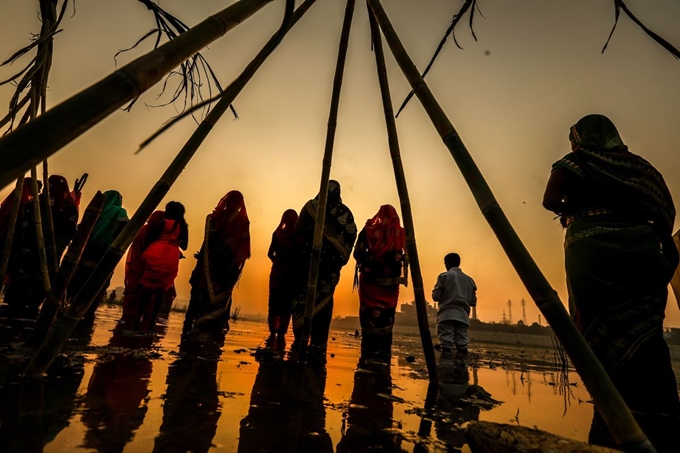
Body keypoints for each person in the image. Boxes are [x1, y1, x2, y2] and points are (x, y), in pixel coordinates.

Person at [542, 113, 679, 452]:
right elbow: (664, 217)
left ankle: (613, 412)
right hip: (642, 256)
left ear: (580, 138)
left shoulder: (574, 161)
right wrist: (667, 264)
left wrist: (574, 210)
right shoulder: (641, 170)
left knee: (599, 328)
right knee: (646, 330)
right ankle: (656, 416)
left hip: (592, 256)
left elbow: (549, 201)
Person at [292, 180, 357, 363]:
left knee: (303, 300)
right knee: (324, 302)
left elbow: (297, 230)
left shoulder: (310, 207)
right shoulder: (345, 214)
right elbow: (350, 238)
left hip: (308, 265)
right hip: (327, 269)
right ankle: (318, 343)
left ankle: (300, 339)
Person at [183, 191, 250, 335]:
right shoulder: (241, 221)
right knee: (217, 297)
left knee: (198, 295)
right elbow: (245, 251)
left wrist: (203, 257)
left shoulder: (214, 218)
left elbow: (206, 244)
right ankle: (212, 330)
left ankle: (190, 328)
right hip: (223, 268)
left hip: (209, 266)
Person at [120, 201, 188, 332]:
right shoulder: (182, 226)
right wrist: (174, 242)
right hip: (171, 256)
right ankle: (151, 321)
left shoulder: (160, 222)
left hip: (154, 252)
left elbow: (151, 238)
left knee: (147, 287)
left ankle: (137, 320)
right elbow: (184, 245)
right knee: (161, 289)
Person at [353, 204, 407, 359]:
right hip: (389, 288)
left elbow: (358, 253)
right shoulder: (400, 233)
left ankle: (367, 354)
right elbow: (407, 257)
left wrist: (371, 264)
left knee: (369, 315)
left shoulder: (368, 230)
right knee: (386, 316)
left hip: (369, 284)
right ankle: (383, 355)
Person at [69, 190, 128, 322]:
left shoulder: (94, 210)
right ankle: (86, 317)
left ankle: (70, 313)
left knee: (77, 285)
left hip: (85, 251)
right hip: (105, 253)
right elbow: (125, 229)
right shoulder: (119, 211)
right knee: (94, 289)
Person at [265, 209, 300, 351]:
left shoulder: (277, 234)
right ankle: (281, 333)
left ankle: (273, 331)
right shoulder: (298, 237)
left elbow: (269, 253)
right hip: (291, 277)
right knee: (286, 305)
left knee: (274, 302)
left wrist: (277, 262)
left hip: (277, 274)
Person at [432, 253, 477, 358]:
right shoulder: (470, 281)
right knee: (462, 343)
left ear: (447, 263)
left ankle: (446, 370)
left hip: (446, 315)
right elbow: (473, 302)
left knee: (446, 343)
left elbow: (436, 296)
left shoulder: (444, 277)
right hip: (463, 317)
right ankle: (462, 370)